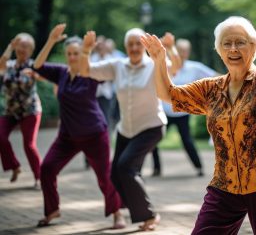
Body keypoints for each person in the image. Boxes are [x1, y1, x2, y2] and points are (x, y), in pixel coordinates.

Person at [141, 16, 256, 235]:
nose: (233, 48)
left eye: (240, 42)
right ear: (219, 50)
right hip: (225, 185)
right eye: (227, 43)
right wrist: (159, 60)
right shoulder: (211, 88)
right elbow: (168, 94)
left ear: (254, 48)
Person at [79, 28, 180, 231]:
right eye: (130, 44)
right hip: (126, 129)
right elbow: (85, 70)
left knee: (126, 167)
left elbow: (175, 68)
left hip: (151, 126)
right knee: (115, 174)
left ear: (143, 46)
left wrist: (171, 48)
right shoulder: (117, 66)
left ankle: (149, 215)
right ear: (125, 47)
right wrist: (86, 51)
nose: (134, 48)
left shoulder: (153, 65)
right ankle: (138, 205)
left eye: (137, 43)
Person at [33, 24, 124, 228]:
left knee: (104, 177)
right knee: (46, 168)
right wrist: (50, 40)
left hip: (94, 134)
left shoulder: (90, 73)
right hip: (67, 136)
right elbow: (37, 66)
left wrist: (88, 51)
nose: (73, 57)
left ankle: (117, 213)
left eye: (76, 53)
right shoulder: (61, 73)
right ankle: (52, 210)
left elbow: (110, 69)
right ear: (66, 55)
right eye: (70, 54)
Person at [152, 37, 218, 177]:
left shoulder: (195, 67)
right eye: (179, 50)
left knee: (187, 141)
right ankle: (156, 169)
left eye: (185, 51)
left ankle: (199, 167)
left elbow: (215, 77)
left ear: (188, 53)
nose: (182, 53)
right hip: (165, 113)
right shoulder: (167, 66)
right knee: (154, 140)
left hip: (183, 113)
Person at [0, 34, 42, 187]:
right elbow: (0, 65)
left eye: (25, 46)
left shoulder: (33, 65)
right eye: (20, 45)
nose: (22, 49)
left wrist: (37, 75)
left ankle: (39, 177)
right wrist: (10, 47)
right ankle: (15, 166)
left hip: (30, 111)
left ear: (31, 50)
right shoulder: (9, 65)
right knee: (1, 137)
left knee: (29, 145)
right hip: (11, 111)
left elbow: (43, 75)